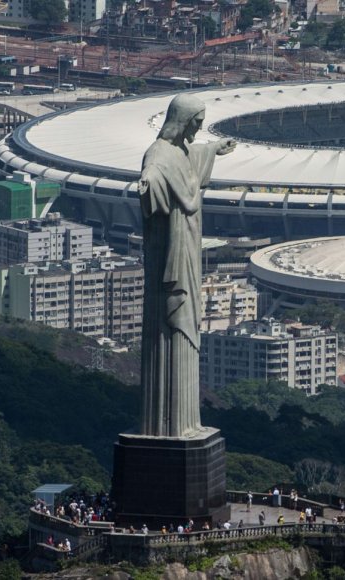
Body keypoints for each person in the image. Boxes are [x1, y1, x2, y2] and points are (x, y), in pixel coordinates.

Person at [138, 93, 236, 437]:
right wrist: (148, 183)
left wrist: (214, 149)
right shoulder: (158, 154)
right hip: (173, 254)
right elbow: (154, 170)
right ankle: (169, 425)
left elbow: (188, 157)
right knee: (172, 331)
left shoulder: (180, 151)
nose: (197, 130)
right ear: (181, 121)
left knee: (188, 330)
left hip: (189, 248)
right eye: (195, 123)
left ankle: (187, 422)